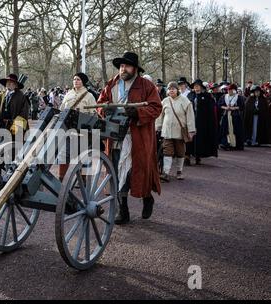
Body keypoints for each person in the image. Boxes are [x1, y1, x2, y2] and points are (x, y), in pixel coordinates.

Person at [97, 52, 162, 225]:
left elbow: (156, 108)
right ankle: (122, 209)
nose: (123, 69)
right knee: (118, 173)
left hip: (138, 138)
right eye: (121, 66)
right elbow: (100, 104)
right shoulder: (111, 84)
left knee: (140, 172)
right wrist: (105, 110)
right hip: (116, 136)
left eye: (126, 66)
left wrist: (137, 112)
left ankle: (147, 198)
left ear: (135, 69)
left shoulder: (146, 86)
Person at [58, 72, 97, 180]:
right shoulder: (68, 94)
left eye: (78, 79)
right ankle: (62, 178)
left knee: (83, 155)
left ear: (83, 82)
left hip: (82, 129)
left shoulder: (89, 96)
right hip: (68, 128)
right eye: (74, 79)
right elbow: (62, 109)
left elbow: (93, 114)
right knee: (64, 154)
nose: (75, 81)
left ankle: (82, 179)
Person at [155, 82, 195, 182]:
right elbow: (160, 117)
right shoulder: (164, 101)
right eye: (169, 89)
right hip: (167, 132)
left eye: (173, 88)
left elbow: (190, 117)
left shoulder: (185, 101)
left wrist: (191, 130)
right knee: (167, 152)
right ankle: (166, 173)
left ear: (177, 90)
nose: (171, 90)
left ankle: (179, 171)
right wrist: (157, 127)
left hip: (179, 132)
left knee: (180, 152)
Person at [186, 79, 218, 165]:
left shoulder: (207, 96)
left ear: (201, 87)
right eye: (195, 86)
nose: (196, 88)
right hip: (190, 120)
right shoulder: (190, 95)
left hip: (202, 122)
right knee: (189, 139)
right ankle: (187, 157)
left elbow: (210, 110)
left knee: (200, 139)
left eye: (198, 86)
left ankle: (198, 156)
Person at [218, 84, 245, 151]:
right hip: (226, 115)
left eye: (230, 90)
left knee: (236, 129)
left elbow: (242, 107)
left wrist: (234, 108)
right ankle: (226, 144)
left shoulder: (239, 97)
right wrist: (225, 107)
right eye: (228, 90)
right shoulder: (224, 97)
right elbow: (219, 105)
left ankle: (235, 144)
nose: (229, 91)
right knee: (225, 129)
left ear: (234, 90)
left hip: (235, 116)